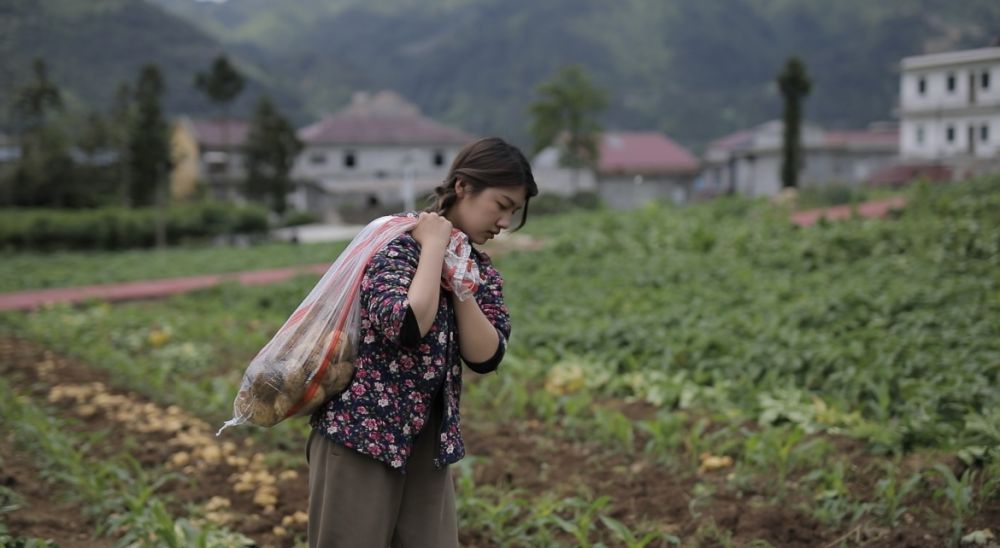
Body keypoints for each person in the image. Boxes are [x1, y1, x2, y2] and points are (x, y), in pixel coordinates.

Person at [307, 137, 539, 547]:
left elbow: (487, 356)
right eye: (502, 205)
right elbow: (406, 324)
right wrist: (434, 246)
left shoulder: (476, 268)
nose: (504, 222)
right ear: (464, 187)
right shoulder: (396, 246)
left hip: (428, 442)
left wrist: (461, 284)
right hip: (363, 433)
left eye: (514, 212)